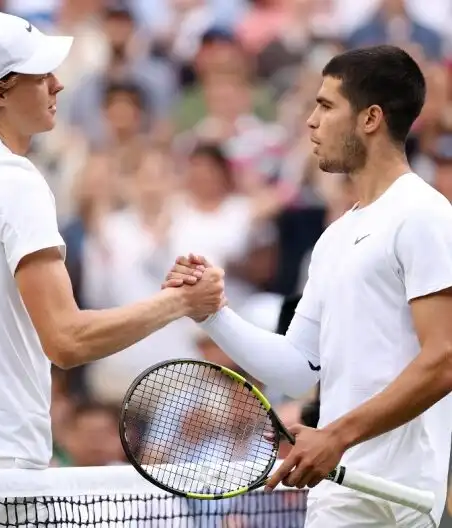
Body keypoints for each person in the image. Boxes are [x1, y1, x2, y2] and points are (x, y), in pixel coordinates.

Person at [164, 45, 452, 527]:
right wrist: (212, 312)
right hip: (340, 488)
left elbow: (443, 359)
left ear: (371, 118)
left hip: (398, 495)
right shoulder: (333, 239)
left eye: (326, 105)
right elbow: (297, 371)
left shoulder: (425, 216)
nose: (311, 122)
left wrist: (336, 434)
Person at [0, 11, 224, 471]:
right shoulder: (15, 181)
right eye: (41, 77)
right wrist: (180, 302)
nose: (58, 85)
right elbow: (66, 339)